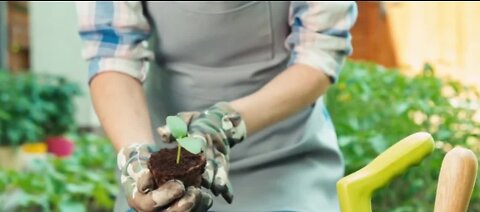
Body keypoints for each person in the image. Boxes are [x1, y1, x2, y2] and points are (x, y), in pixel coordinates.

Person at [76, 1, 357, 211]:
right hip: (163, 152)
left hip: (284, 156)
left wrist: (225, 121)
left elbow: (319, 52)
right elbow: (111, 53)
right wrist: (136, 155)